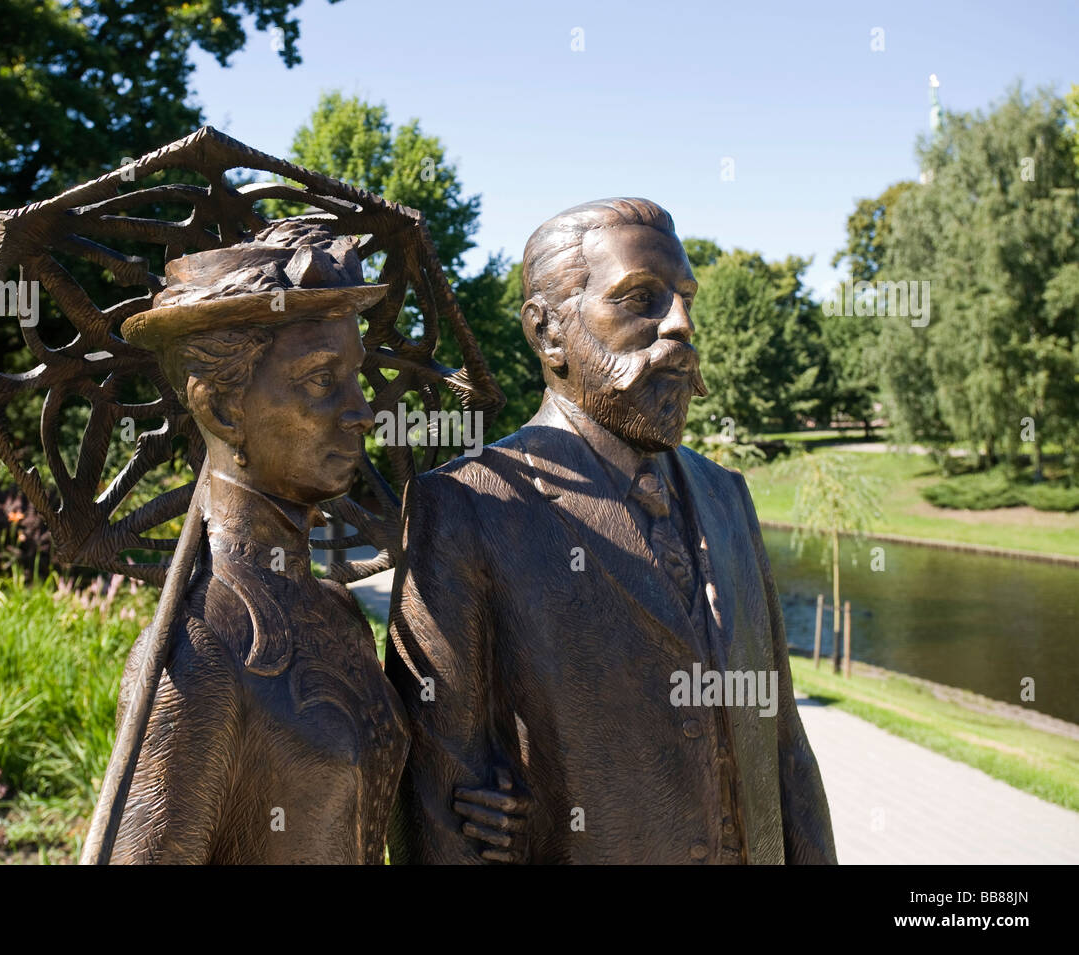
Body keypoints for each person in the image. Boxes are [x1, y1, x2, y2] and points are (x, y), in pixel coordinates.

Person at [385, 199, 837, 864]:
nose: (681, 325)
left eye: (684, 297)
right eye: (641, 299)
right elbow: (439, 800)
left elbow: (786, 749)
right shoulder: (467, 506)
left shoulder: (727, 497)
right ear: (547, 332)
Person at [111, 221, 521, 863]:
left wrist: (479, 807)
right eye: (320, 380)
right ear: (220, 408)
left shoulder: (338, 611)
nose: (361, 410)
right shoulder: (197, 655)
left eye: (355, 378)